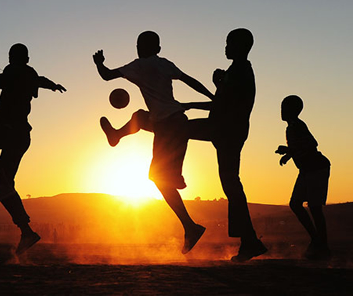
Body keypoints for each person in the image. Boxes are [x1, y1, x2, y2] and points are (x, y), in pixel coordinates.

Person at [100, 29, 266, 262]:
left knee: (176, 128)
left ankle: (174, 177)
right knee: (227, 181)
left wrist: (211, 92)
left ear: (240, 46)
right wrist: (206, 94)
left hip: (227, 130)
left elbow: (229, 104)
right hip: (224, 128)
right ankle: (249, 241)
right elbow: (219, 102)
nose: (225, 47)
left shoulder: (241, 71)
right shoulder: (234, 71)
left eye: (229, 43)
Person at [93, 31, 212, 254]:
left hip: (169, 126)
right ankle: (117, 135)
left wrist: (99, 63)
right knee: (139, 116)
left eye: (140, 44)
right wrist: (212, 96)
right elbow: (190, 80)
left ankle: (190, 226)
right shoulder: (164, 64)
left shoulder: (137, 66)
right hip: (169, 122)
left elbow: (106, 76)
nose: (138, 47)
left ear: (147, 47)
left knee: (159, 178)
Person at [0, 43, 66, 254]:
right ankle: (26, 232)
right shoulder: (30, 74)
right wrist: (53, 85)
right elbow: (40, 81)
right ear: (28, 58)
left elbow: (2, 81)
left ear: (12, 58)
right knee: (3, 185)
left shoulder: (13, 71)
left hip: (9, 132)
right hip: (21, 136)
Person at [276, 95, 331, 260]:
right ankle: (317, 241)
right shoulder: (292, 127)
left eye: (285, 108)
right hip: (307, 170)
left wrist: (288, 152)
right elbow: (301, 146)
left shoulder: (297, 126)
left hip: (316, 168)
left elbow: (312, 144)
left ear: (293, 110)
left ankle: (322, 246)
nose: (282, 111)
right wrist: (288, 153)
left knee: (314, 208)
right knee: (296, 204)